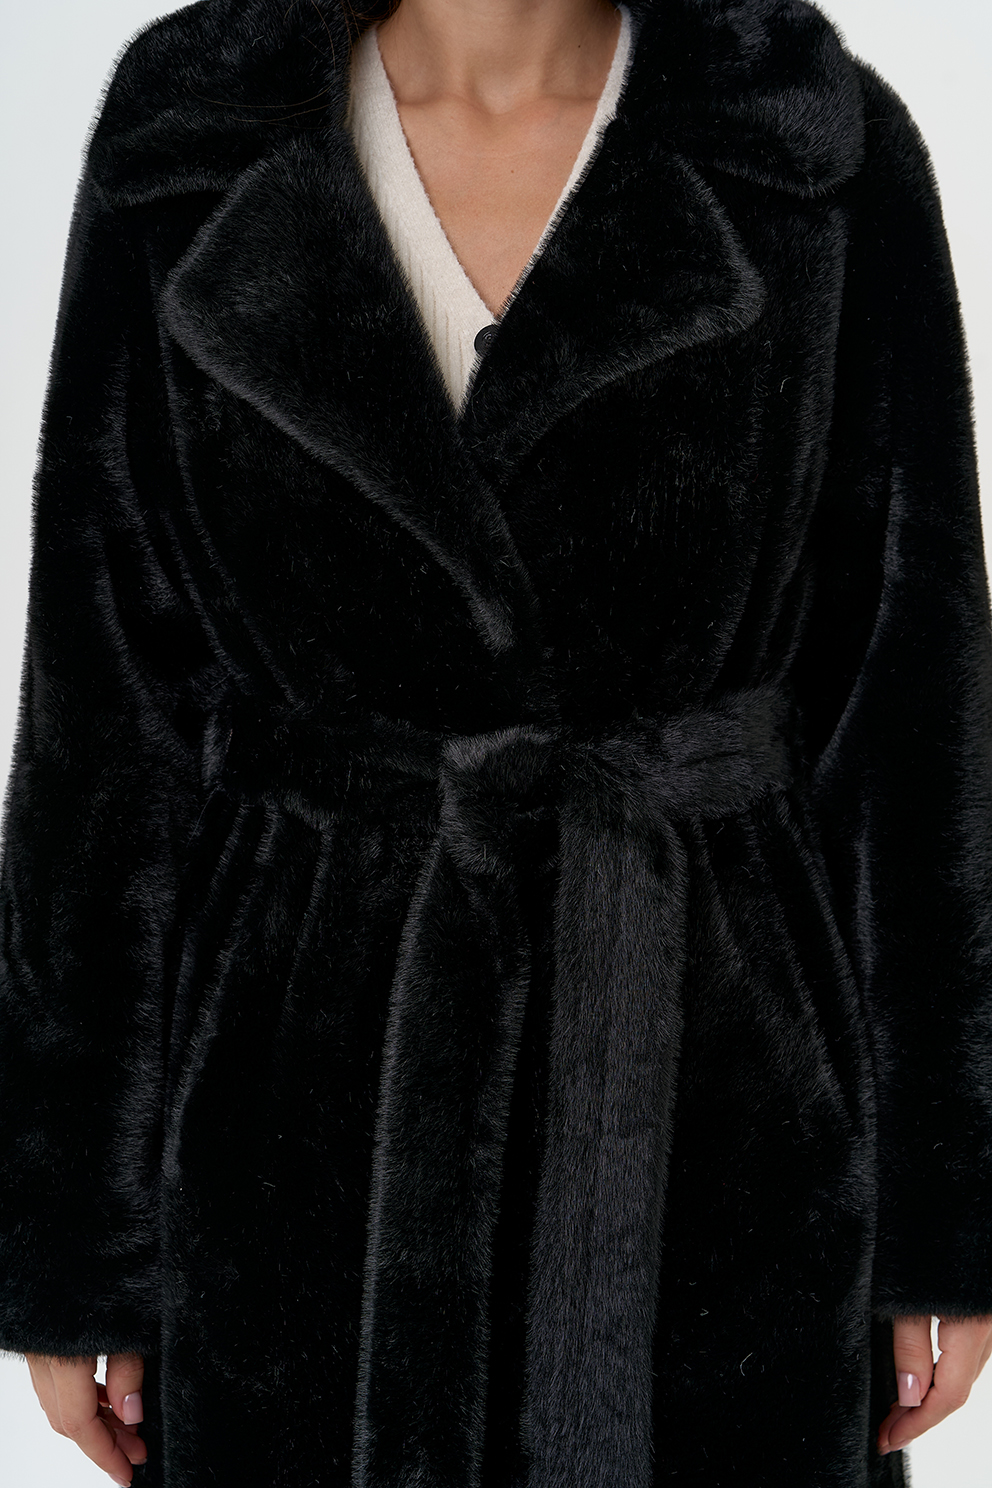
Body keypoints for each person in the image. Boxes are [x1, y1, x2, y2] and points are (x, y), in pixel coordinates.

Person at [2, 0, 991, 1483]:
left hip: (721, 1100)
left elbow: (914, 709)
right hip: (296, 1112)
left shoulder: (814, 147)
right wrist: (80, 1246)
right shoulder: (188, 138)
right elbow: (105, 717)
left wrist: (941, 1214)